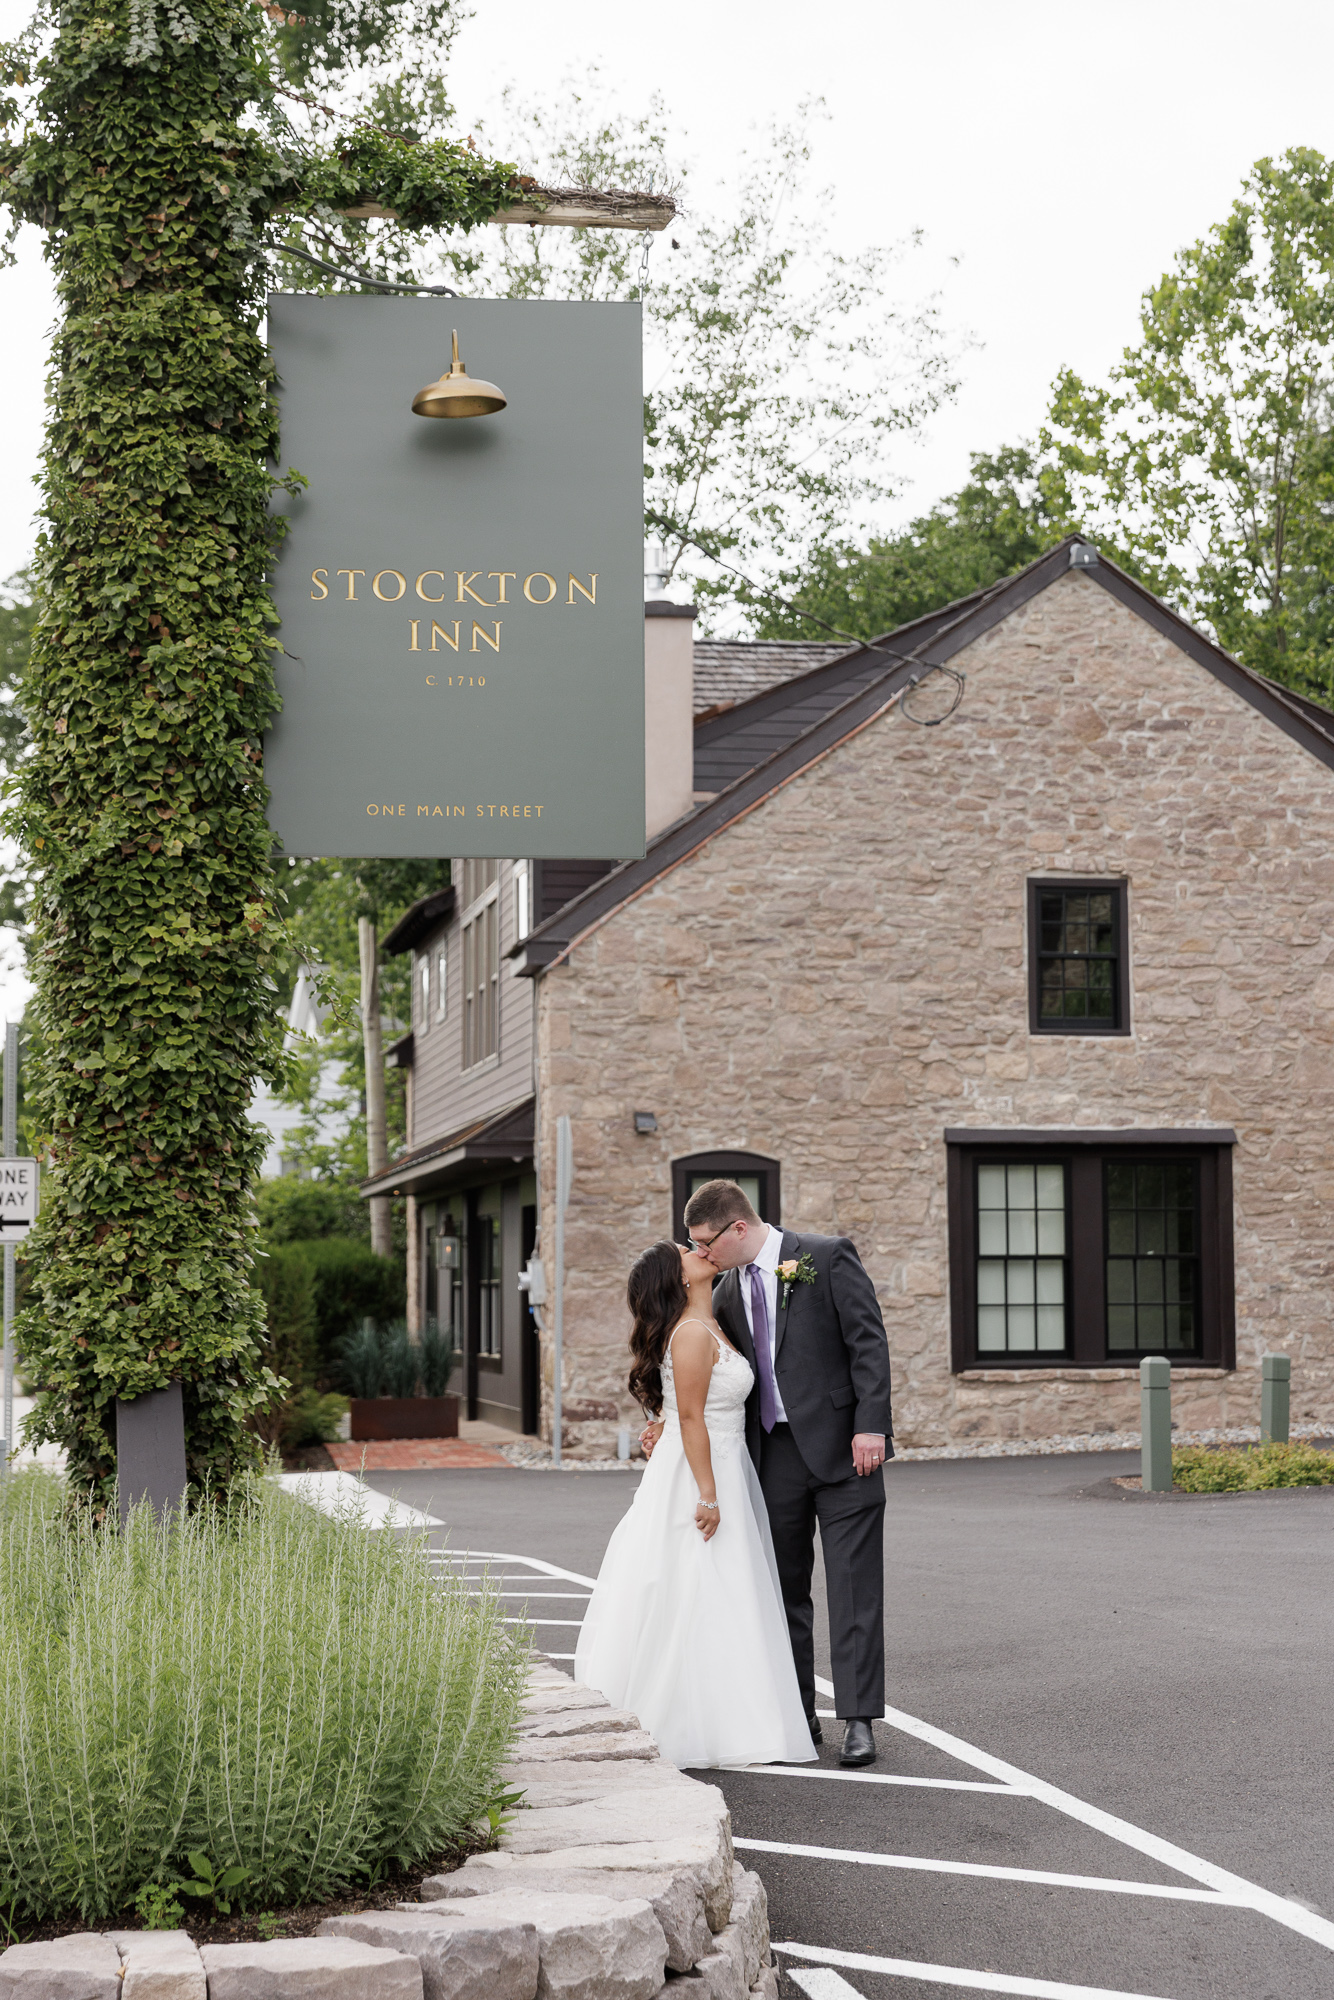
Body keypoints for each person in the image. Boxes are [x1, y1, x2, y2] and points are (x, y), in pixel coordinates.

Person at [650, 1180, 894, 1769]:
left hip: (844, 1450)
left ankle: (859, 1721)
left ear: (738, 1228)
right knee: (781, 1592)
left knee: (854, 1586)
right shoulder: (726, 1291)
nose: (700, 1253)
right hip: (770, 1457)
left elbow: (869, 1343)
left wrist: (872, 1426)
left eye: (705, 1241)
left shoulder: (826, 1257)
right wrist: (661, 1416)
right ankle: (798, 1712)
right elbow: (704, 1366)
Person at [574, 1239, 816, 1770]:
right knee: (695, 1586)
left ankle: (731, 1716)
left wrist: (656, 1420)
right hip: (699, 1472)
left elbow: (683, 1404)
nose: (697, 1250)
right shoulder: (688, 1332)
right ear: (679, 1279)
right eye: (686, 1250)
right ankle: (688, 1721)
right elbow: (691, 1418)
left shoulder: (713, 1320)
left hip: (723, 1462)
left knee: (726, 1592)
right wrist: (707, 1493)